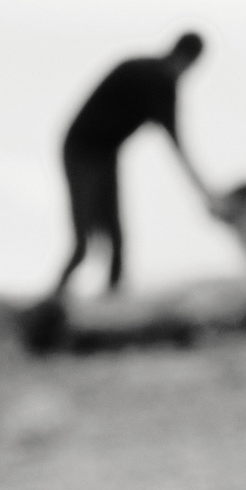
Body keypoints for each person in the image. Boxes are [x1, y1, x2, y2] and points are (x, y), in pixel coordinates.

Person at [54, 31, 220, 298]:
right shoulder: (149, 77)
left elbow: (177, 146)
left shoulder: (154, 79)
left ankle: (112, 301)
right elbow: (178, 149)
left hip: (105, 153)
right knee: (84, 243)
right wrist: (206, 193)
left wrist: (206, 193)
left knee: (116, 240)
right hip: (82, 149)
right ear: (187, 60)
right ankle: (53, 301)